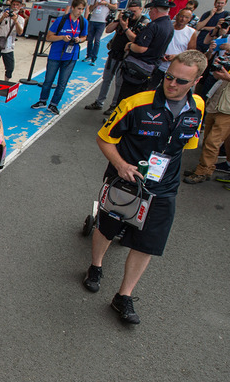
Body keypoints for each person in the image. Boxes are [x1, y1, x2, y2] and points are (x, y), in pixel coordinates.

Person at [83, 50, 207, 324]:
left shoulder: (198, 105)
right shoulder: (135, 103)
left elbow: (187, 144)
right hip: (126, 183)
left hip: (164, 187)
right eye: (169, 77)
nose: (172, 84)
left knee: (148, 243)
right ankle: (96, 267)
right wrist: (121, 165)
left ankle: (123, 296)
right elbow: (105, 138)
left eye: (181, 81)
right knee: (107, 228)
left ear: (196, 81)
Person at [84, 0, 149, 114]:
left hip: (127, 57)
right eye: (130, 11)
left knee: (119, 82)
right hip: (114, 53)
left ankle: (114, 105)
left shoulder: (143, 22)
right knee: (106, 79)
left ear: (140, 9)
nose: (132, 14)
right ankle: (99, 102)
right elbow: (108, 29)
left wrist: (125, 27)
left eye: (134, 11)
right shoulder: (123, 19)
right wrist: (119, 20)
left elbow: (136, 40)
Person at [31, 0, 88, 115]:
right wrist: (62, 37)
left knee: (62, 82)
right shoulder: (61, 20)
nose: (80, 11)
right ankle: (42, 101)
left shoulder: (83, 22)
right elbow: (49, 36)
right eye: (78, 9)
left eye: (82, 9)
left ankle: (54, 104)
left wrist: (79, 40)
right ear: (72, 8)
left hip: (71, 56)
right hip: (56, 55)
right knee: (48, 80)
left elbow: (84, 37)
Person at [114, 0, 175, 106]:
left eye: (151, 10)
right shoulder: (169, 25)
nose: (150, 13)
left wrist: (129, 45)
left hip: (138, 69)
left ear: (155, 10)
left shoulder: (154, 26)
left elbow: (141, 48)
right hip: (151, 68)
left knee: (125, 99)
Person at [182, 62, 230, 183]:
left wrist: (227, 77)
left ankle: (202, 171)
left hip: (227, 111)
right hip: (215, 105)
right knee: (207, 140)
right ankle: (206, 169)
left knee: (212, 142)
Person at [149, 9, 197, 89]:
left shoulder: (191, 32)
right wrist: (161, 55)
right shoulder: (167, 27)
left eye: (186, 17)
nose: (183, 19)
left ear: (190, 19)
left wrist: (177, 57)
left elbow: (191, 53)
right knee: (150, 89)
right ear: (177, 16)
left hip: (175, 70)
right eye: (181, 16)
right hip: (158, 65)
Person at [0, 0, 25, 82]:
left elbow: (20, 32)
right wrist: (2, 18)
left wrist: (16, 21)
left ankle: (6, 82)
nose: (15, 7)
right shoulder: (3, 14)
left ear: (20, 6)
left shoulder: (20, 19)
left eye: (17, 5)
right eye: (13, 4)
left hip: (9, 46)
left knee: (10, 67)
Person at [85, 0, 118, 65]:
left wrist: (106, 4)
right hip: (93, 19)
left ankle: (94, 58)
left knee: (97, 39)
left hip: (102, 21)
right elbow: (90, 8)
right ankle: (88, 55)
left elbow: (115, 7)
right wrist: (96, 4)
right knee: (90, 39)